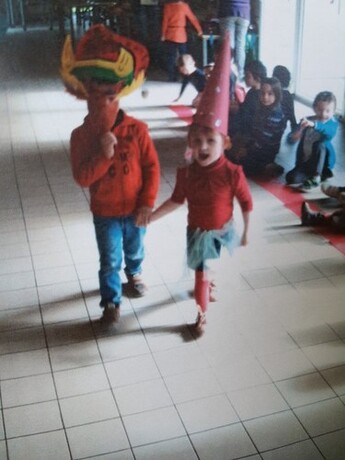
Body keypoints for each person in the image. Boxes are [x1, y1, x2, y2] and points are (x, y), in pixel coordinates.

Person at [150, 35, 253, 334]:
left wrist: (246, 230)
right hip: (198, 232)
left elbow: (246, 201)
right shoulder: (187, 173)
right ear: (190, 144)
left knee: (210, 264)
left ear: (226, 142)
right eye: (198, 141)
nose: (204, 146)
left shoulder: (233, 172)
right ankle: (201, 314)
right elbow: (176, 200)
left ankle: (209, 278)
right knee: (201, 272)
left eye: (211, 140)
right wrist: (151, 218)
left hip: (223, 229)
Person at [60, 25, 160, 323]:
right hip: (105, 212)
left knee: (134, 247)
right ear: (84, 94)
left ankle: (136, 271)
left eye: (109, 94)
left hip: (135, 209)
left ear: (119, 93)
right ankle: (111, 301)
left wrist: (147, 202)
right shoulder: (80, 136)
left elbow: (152, 167)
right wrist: (103, 155)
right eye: (94, 93)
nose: (102, 101)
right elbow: (82, 178)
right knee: (109, 259)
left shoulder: (137, 130)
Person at [230, 77, 286, 177]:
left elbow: (263, 140)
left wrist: (247, 150)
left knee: (240, 164)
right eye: (262, 93)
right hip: (255, 144)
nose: (265, 97)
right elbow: (254, 131)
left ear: (276, 95)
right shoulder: (261, 108)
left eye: (270, 94)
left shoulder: (276, 114)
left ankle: (267, 166)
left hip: (266, 150)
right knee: (231, 153)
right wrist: (245, 146)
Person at [285, 91, 338, 191]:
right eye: (320, 110)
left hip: (322, 163)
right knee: (291, 178)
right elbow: (291, 139)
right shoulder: (307, 120)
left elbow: (329, 132)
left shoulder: (332, 124)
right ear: (314, 108)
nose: (323, 114)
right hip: (305, 162)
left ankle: (317, 175)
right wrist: (297, 133)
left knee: (319, 145)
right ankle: (313, 176)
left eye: (328, 111)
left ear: (333, 112)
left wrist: (314, 125)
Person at [161, 0, 203, 82]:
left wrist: (163, 34)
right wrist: (199, 30)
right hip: (181, 35)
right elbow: (193, 19)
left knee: (171, 58)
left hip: (170, 34)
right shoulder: (184, 6)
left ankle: (172, 78)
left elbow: (165, 22)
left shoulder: (167, 7)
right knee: (184, 58)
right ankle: (186, 77)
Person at [217, 0, 251, 80]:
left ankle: (228, 74)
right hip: (244, 12)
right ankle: (239, 75)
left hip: (228, 10)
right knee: (240, 46)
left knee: (228, 46)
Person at [238, 59, 267, 136]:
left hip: (250, 134)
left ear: (258, 78)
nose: (245, 79)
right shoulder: (251, 91)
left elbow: (250, 118)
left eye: (248, 76)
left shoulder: (260, 97)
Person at [272, 65, 298, 133]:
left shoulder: (272, 93)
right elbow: (291, 115)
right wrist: (294, 129)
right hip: (282, 126)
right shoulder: (288, 95)